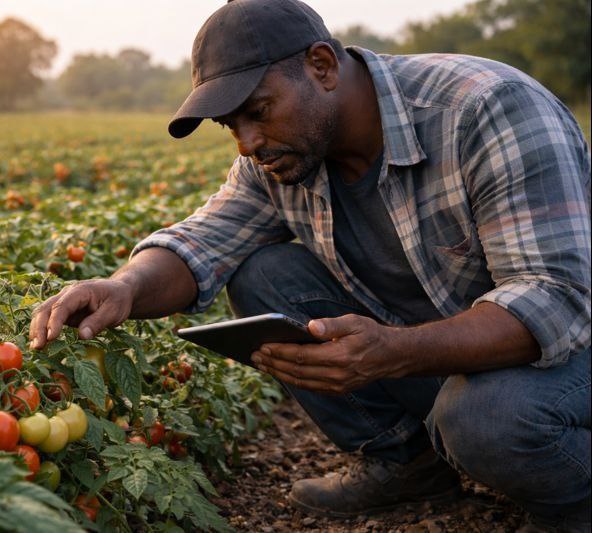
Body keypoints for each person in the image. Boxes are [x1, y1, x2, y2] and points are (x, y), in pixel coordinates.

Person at [29, 0, 591, 529]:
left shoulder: (485, 107)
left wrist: (392, 352)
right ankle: (408, 464)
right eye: (231, 126)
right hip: (444, 355)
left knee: (485, 419)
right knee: (263, 273)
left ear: (322, 66)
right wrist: (123, 287)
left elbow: (554, 299)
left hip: (569, 355)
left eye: (258, 112)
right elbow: (204, 241)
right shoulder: (283, 155)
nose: (247, 144)